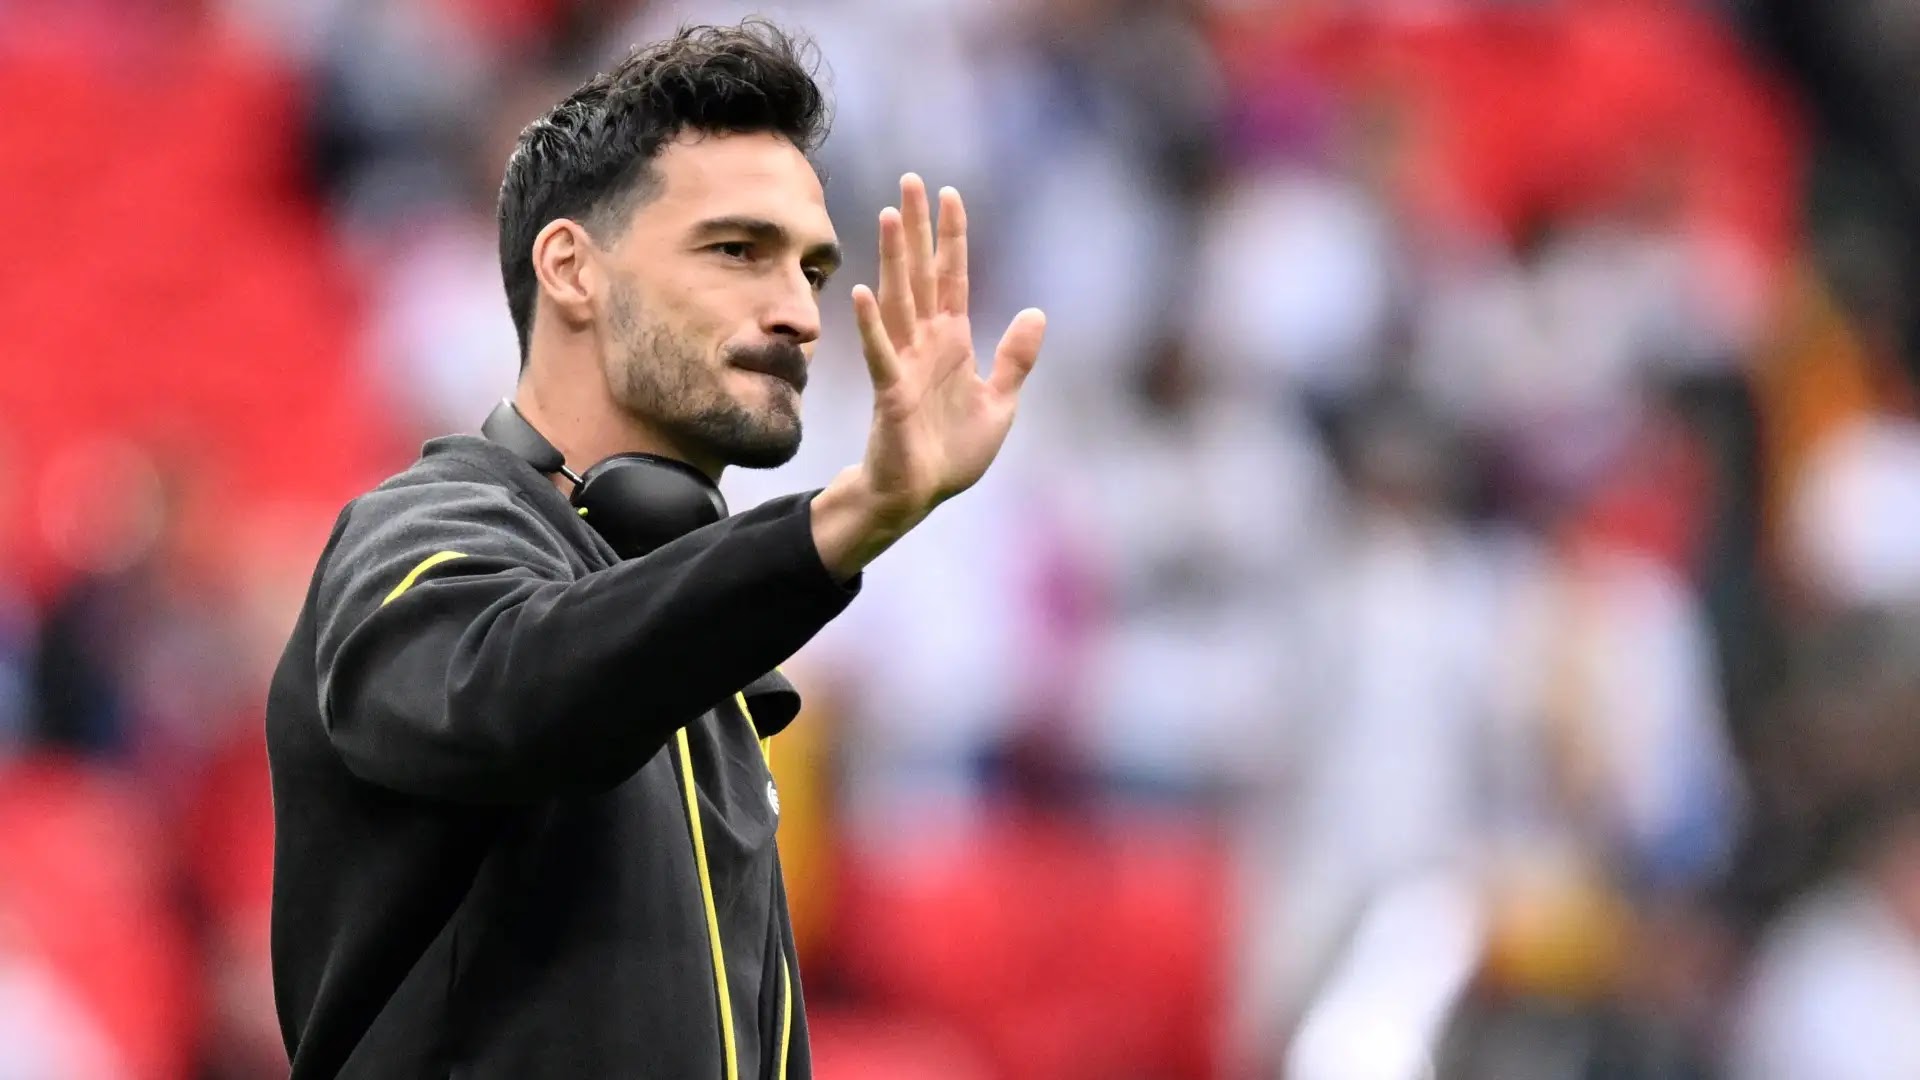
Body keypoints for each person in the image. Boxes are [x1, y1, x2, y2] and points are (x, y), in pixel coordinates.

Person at [264, 20, 1046, 1079]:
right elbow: (506, 694)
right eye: (737, 251)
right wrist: (846, 518)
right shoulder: (421, 530)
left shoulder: (705, 666)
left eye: (812, 269)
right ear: (571, 269)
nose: (797, 312)